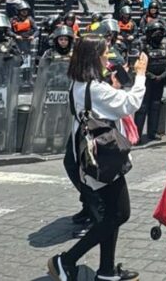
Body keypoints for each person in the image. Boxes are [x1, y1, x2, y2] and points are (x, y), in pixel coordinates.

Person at [47, 37, 146, 281]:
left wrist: (113, 85)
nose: (107, 57)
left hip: (88, 156)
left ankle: (106, 271)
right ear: (94, 57)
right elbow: (130, 103)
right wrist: (141, 75)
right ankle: (66, 260)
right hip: (104, 158)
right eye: (104, 53)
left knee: (110, 215)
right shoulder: (95, 89)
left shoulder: (79, 84)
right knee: (119, 214)